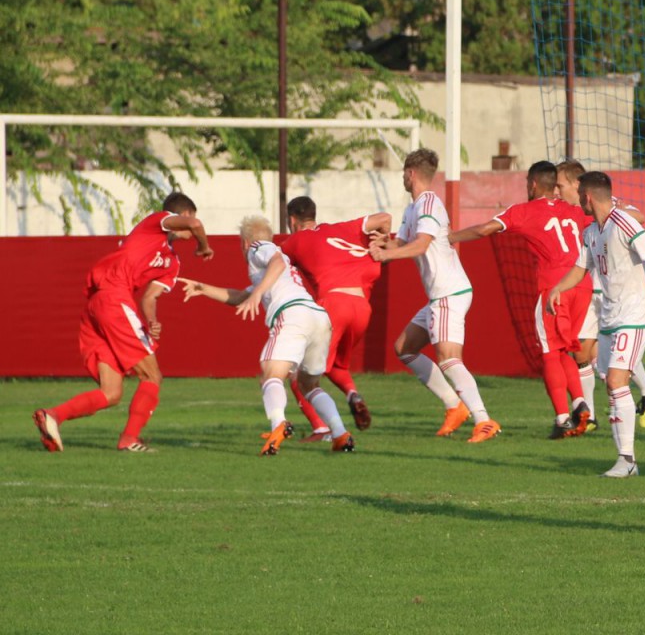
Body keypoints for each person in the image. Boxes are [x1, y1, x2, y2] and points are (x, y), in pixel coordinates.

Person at [33, 192, 213, 453]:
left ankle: (52, 416)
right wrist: (203, 246)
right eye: (190, 216)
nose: (193, 224)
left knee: (111, 393)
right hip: (113, 299)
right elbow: (195, 225)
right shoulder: (157, 222)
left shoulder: (172, 262)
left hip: (101, 306)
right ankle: (130, 438)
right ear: (182, 215)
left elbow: (149, 297)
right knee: (152, 375)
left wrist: (152, 320)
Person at [546, 171, 645, 477]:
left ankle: (627, 460)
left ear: (587, 197)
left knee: (615, 381)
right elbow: (580, 268)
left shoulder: (623, 222)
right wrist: (558, 288)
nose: (577, 201)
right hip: (610, 317)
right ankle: (625, 460)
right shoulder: (590, 232)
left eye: (579, 196)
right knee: (611, 385)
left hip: (634, 315)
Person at [179, 216, 355, 454]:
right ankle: (340, 433)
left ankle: (278, 424)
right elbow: (240, 296)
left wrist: (257, 293)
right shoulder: (269, 273)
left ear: (245, 242)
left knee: (270, 375)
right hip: (318, 318)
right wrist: (203, 288)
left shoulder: (258, 248)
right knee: (309, 384)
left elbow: (276, 263)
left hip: (293, 315)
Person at [450, 161, 594, 439]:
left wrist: (452, 237)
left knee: (549, 352)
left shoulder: (524, 211)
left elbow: (484, 229)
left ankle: (562, 418)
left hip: (555, 287)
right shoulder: (574, 210)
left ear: (532, 184)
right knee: (562, 350)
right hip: (582, 284)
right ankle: (579, 402)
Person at [369, 148, 501, 443]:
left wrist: (386, 256)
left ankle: (483, 420)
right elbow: (403, 243)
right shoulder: (412, 208)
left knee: (449, 358)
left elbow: (420, 245)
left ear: (411, 173)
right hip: (440, 296)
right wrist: (384, 244)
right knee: (405, 348)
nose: (403, 178)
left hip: (448, 292)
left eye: (404, 173)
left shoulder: (428, 203)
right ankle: (455, 407)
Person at [555, 159, 645, 430]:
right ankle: (593, 414)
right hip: (590, 285)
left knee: (611, 352)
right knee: (586, 352)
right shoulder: (570, 213)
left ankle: (644, 393)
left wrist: (618, 213)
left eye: (560, 185)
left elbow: (639, 217)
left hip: (613, 293)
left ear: (578, 186)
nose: (557, 191)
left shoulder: (605, 207)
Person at [281, 197, 392, 440]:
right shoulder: (343, 228)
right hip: (361, 307)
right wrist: (382, 240)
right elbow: (385, 218)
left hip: (334, 304)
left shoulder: (295, 241)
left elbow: (274, 264)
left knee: (299, 373)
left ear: (292, 220)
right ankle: (353, 394)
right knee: (335, 366)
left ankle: (324, 428)